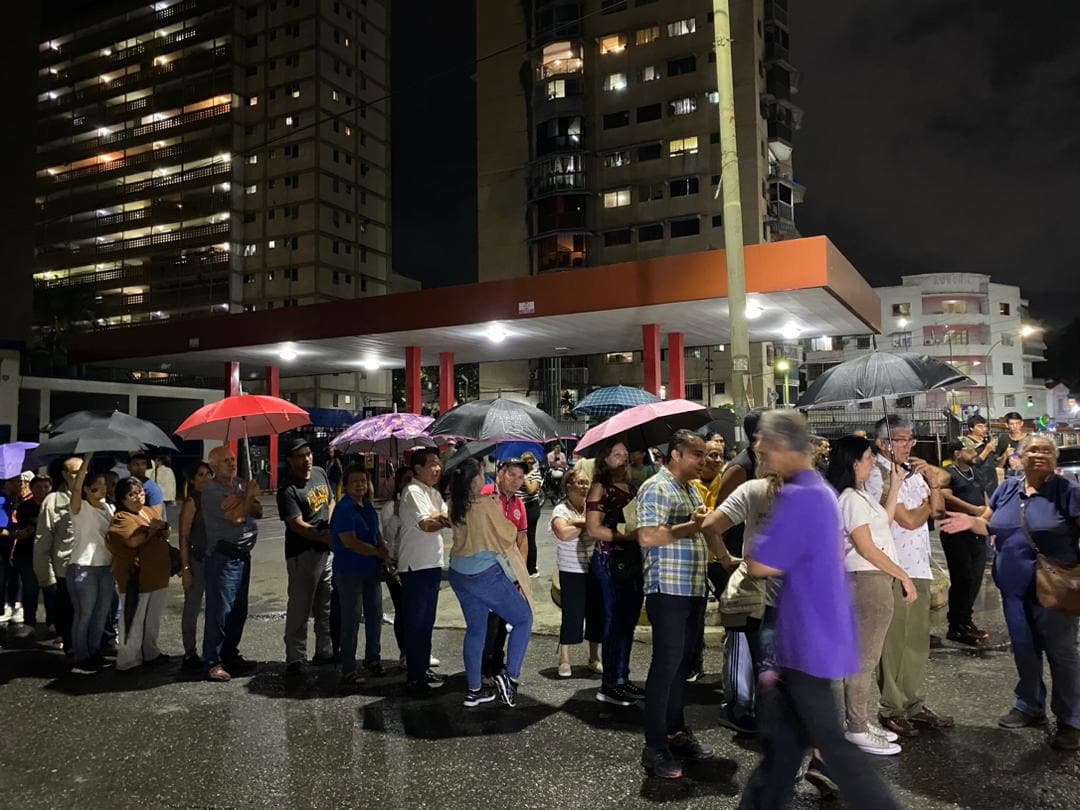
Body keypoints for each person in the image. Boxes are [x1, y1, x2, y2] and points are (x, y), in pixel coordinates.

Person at [738, 411, 901, 810]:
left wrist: (760, 543)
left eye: (764, 443)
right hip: (818, 635)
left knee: (833, 746)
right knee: (786, 746)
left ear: (782, 446)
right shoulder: (822, 490)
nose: (759, 450)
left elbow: (760, 563)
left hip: (804, 640)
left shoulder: (799, 496)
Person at [939, 434, 1080, 751]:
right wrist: (969, 521)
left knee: (1062, 653)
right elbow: (988, 524)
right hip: (1013, 587)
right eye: (1033, 449)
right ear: (1020, 456)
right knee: (1025, 650)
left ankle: (1071, 719)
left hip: (1055, 587)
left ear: (1055, 458)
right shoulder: (1008, 489)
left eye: (1046, 450)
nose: (1039, 454)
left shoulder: (1067, 490)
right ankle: (1030, 705)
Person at [827, 435, 918, 756]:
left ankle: (860, 722)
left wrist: (895, 485)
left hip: (873, 579)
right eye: (868, 457)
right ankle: (855, 727)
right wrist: (902, 574)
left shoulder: (861, 496)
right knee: (864, 659)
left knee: (868, 656)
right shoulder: (850, 498)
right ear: (854, 462)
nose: (872, 462)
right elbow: (865, 546)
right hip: (866, 580)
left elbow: (884, 522)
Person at [636, 430, 719, 779]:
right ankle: (654, 747)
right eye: (696, 454)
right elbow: (648, 536)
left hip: (691, 587)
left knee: (682, 664)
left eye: (705, 454)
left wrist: (727, 559)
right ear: (675, 455)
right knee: (666, 664)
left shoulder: (688, 488)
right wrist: (691, 525)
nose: (703, 460)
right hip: (667, 589)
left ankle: (676, 732)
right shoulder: (657, 486)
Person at [866, 415, 953, 739]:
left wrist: (931, 484)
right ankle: (891, 707)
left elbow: (938, 510)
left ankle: (913, 703)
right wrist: (929, 498)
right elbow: (911, 520)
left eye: (910, 439)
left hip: (918, 564)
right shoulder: (877, 475)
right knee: (894, 642)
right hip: (893, 567)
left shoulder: (910, 472)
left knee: (916, 640)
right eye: (900, 439)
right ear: (882, 443)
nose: (907, 445)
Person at [448, 458, 534, 708]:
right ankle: (511, 677)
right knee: (523, 618)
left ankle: (474, 690)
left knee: (476, 630)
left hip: (459, 572)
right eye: (481, 475)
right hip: (483, 573)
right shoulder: (485, 504)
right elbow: (508, 534)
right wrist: (497, 509)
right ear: (475, 480)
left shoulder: (454, 503)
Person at [586, 441, 643, 706]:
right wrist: (625, 535)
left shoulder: (631, 487)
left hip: (631, 558)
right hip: (610, 558)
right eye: (616, 454)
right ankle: (610, 682)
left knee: (629, 620)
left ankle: (622, 676)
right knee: (615, 620)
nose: (623, 458)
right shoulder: (600, 488)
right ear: (604, 459)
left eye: (625, 453)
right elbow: (594, 529)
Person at [201, 445, 262, 682]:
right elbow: (236, 518)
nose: (232, 463)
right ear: (214, 467)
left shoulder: (238, 485)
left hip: (243, 556)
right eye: (225, 460)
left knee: (239, 609)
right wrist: (247, 498)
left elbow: (256, 511)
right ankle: (213, 661)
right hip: (223, 558)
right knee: (220, 611)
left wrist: (245, 498)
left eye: (233, 458)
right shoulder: (212, 492)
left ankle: (230, 653)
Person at [277, 436, 336, 680]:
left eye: (309, 454)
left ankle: (325, 651)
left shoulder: (321, 473)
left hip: (325, 552)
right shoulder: (288, 490)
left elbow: (331, 500)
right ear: (290, 460)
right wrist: (323, 536)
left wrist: (330, 524)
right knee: (300, 609)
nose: (307, 459)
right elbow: (297, 525)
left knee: (326, 606)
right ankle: (296, 659)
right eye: (300, 456)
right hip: (303, 555)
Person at [397, 448, 451, 694]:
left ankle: (422, 668)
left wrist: (439, 515)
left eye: (439, 464)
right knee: (416, 622)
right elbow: (427, 525)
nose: (437, 468)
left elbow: (444, 519)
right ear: (418, 468)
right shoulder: (412, 491)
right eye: (432, 464)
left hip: (432, 564)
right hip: (415, 565)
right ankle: (414, 677)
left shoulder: (434, 493)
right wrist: (440, 517)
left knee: (427, 622)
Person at [106, 477, 172, 670]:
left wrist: (162, 528)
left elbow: (164, 529)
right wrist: (153, 529)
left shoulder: (148, 510)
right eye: (132, 494)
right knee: (133, 619)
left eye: (141, 492)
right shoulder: (122, 518)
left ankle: (150, 652)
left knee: (152, 619)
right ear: (122, 498)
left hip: (157, 576)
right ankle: (128, 660)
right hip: (136, 578)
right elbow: (133, 541)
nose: (138, 497)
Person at [331, 465, 388, 688]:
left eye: (363, 481)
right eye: (355, 481)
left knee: (375, 616)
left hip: (370, 570)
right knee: (351, 620)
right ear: (345, 485)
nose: (360, 485)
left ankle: (373, 659)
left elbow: (376, 533)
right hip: (349, 571)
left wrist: (382, 547)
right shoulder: (344, 509)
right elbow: (350, 541)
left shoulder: (367, 506)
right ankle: (348, 668)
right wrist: (376, 551)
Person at [686, 436, 734, 683]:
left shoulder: (727, 482)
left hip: (721, 558)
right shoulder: (689, 486)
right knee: (694, 615)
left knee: (732, 608)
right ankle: (695, 664)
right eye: (711, 455)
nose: (716, 460)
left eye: (719, 455)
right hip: (697, 560)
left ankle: (732, 663)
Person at [550, 467, 603, 677]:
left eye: (586, 483)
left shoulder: (592, 508)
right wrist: (587, 525)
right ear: (568, 486)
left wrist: (581, 523)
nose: (584, 487)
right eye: (580, 482)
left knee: (596, 613)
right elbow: (563, 533)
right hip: (571, 568)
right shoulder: (560, 510)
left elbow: (602, 527)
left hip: (594, 566)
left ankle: (594, 657)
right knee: (572, 613)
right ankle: (564, 659)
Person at [940, 438, 993, 646]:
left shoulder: (976, 473)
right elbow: (946, 496)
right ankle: (956, 626)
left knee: (975, 579)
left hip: (977, 531)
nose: (974, 453)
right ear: (957, 453)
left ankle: (966, 620)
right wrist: (973, 511)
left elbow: (985, 497)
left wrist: (985, 515)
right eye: (969, 450)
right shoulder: (948, 474)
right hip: (956, 533)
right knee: (963, 578)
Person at [67, 454, 116, 673]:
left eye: (104, 486)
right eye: (96, 486)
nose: (102, 490)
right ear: (86, 489)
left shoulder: (109, 508)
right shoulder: (79, 507)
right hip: (83, 566)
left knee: (101, 612)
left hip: (105, 566)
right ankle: (81, 656)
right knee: (84, 613)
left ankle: (94, 651)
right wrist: (86, 460)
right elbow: (75, 489)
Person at [481, 460, 529, 679]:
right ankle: (483, 666)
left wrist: (520, 572)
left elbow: (523, 538)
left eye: (520, 477)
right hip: (486, 569)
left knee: (502, 621)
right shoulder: (485, 496)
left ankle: (496, 663)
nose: (516, 481)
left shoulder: (519, 504)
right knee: (486, 623)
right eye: (511, 475)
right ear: (500, 474)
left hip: (508, 573)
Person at [35, 458, 82, 654]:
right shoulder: (53, 501)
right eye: (74, 472)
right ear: (64, 474)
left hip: (92, 565)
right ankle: (70, 645)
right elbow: (42, 540)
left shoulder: (94, 497)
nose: (80, 476)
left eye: (83, 472)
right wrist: (45, 576)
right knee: (67, 609)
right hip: (64, 567)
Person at [179, 461, 214, 670]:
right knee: (192, 607)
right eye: (200, 475)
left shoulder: (215, 497)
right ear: (192, 480)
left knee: (215, 608)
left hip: (214, 561)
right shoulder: (192, 502)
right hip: (196, 561)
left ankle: (212, 650)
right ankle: (190, 653)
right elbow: (183, 537)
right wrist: (185, 569)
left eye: (208, 474)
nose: (205, 478)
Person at [379, 465, 413, 665]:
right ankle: (404, 652)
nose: (410, 484)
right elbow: (389, 536)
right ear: (399, 484)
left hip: (415, 563)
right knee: (403, 609)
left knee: (416, 610)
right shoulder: (390, 507)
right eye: (406, 480)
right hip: (395, 565)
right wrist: (398, 514)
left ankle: (417, 650)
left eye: (412, 479)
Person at [12, 475, 52, 632]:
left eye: (46, 487)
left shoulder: (55, 506)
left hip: (48, 554)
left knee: (51, 590)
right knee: (30, 589)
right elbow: (25, 528)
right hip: (27, 554)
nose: (42, 491)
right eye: (38, 487)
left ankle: (52, 622)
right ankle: (29, 623)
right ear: (32, 489)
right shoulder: (24, 507)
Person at [518, 451, 544, 577]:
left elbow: (531, 490)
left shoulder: (535, 474)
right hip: (518, 509)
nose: (528, 464)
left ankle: (531, 568)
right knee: (519, 538)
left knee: (529, 537)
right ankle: (522, 564)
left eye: (530, 462)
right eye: (525, 462)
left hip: (530, 508)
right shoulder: (518, 473)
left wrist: (524, 478)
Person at [966, 415, 1002, 499]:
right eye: (980, 426)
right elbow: (973, 462)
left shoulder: (986, 441)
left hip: (992, 481)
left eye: (985, 426)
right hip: (978, 483)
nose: (984, 429)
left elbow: (994, 461)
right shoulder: (967, 443)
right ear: (971, 428)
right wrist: (987, 450)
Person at [127, 453, 165, 520]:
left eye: (143, 464)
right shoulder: (126, 485)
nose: (140, 467)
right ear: (128, 467)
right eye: (136, 464)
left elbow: (157, 516)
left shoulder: (152, 488)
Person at [151, 455, 178, 527]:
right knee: (163, 512)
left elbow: (153, 482)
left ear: (160, 461)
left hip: (159, 495)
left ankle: (164, 528)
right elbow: (173, 483)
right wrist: (173, 496)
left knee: (161, 514)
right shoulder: (169, 470)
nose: (155, 462)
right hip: (167, 495)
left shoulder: (157, 471)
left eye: (156, 460)